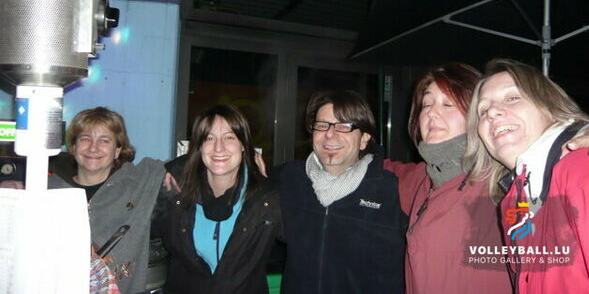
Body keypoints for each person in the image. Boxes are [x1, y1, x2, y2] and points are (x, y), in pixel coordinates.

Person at [465, 59, 589, 294]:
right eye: (483, 111)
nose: (491, 113)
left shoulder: (584, 167)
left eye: (512, 98)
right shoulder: (515, 200)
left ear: (549, 105)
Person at [385, 63, 512, 294]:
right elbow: (382, 168)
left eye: (448, 104)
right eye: (426, 104)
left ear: (478, 114)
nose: (431, 113)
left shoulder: (501, 182)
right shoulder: (423, 178)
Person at [278, 90, 407, 294]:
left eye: (344, 126)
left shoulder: (392, 190)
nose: (330, 134)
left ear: (364, 139)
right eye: (322, 125)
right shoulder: (289, 179)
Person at [160, 104, 281, 294]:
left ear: (243, 144)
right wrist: (169, 169)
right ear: (200, 146)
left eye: (229, 137)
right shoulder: (174, 192)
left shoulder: (268, 199)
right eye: (209, 138)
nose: (219, 147)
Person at [48, 107, 167, 294]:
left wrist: (172, 172)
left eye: (104, 140)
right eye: (85, 138)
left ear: (118, 150)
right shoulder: (47, 189)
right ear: (73, 146)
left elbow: (191, 165)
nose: (93, 148)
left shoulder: (140, 182)